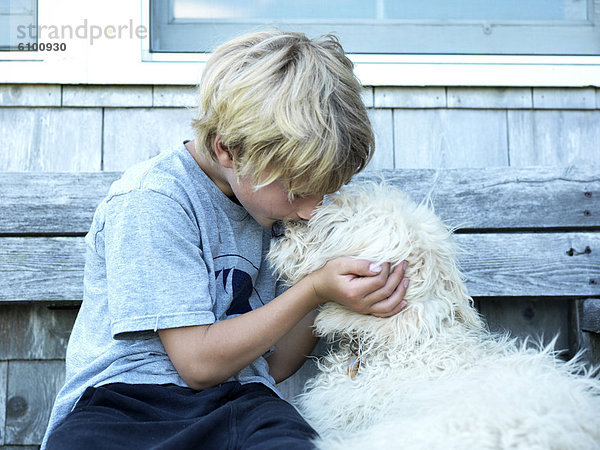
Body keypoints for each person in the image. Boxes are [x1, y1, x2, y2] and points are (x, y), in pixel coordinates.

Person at [43, 30, 409, 449]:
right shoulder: (153, 200)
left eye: (321, 191)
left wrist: (333, 294)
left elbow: (275, 365)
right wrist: (313, 290)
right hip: (125, 407)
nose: (311, 210)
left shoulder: (278, 208)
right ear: (228, 151)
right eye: (295, 191)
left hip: (244, 404)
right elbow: (197, 364)